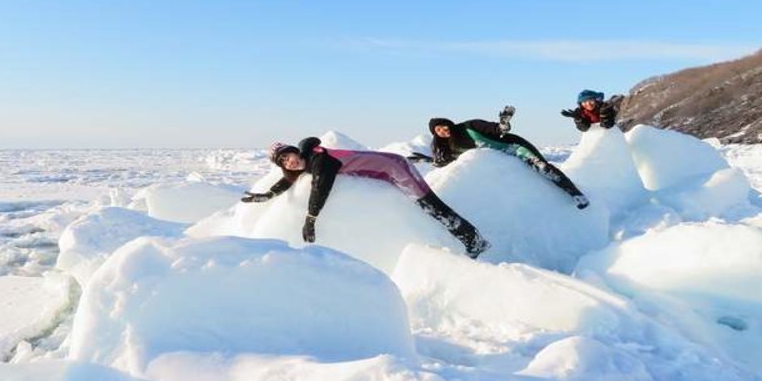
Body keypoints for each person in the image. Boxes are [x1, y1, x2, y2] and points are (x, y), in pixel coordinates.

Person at [241, 137, 490, 259]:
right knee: (430, 206)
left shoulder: (319, 160)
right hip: (386, 170)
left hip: (395, 168)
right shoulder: (307, 161)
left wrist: (311, 218)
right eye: (283, 162)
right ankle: (472, 239)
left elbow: (321, 187)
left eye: (288, 155)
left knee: (431, 207)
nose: (289, 162)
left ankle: (474, 240)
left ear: (295, 150)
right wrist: (267, 195)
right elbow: (288, 180)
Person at [409, 106, 590, 209]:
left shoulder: (469, 126)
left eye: (443, 126)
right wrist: (427, 160)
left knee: (543, 168)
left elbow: (496, 129)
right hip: (494, 164)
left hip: (513, 148)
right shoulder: (444, 146)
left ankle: (575, 193)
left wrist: (503, 123)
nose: (443, 130)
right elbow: (449, 164)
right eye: (438, 130)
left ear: (449, 124)